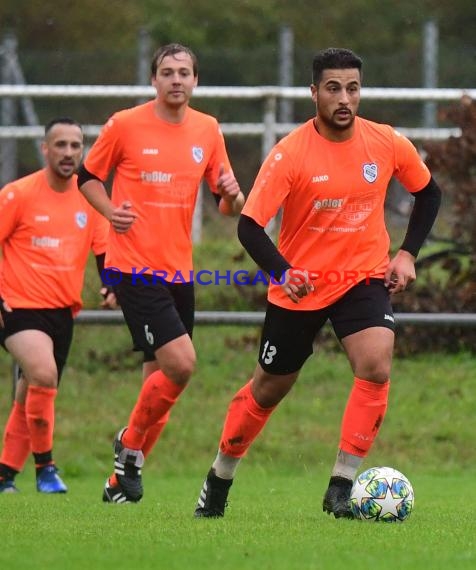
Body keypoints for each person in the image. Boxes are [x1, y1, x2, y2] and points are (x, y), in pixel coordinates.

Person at [194, 47, 441, 519]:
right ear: (314, 93)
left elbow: (428, 192)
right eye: (333, 88)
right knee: (268, 390)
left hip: (363, 278)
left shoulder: (385, 142)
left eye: (352, 88)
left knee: (375, 365)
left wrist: (407, 252)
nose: (344, 98)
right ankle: (220, 476)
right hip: (300, 288)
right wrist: (285, 273)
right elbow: (249, 225)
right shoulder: (290, 152)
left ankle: (341, 488)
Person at [77, 43, 244, 504]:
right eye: (167, 72)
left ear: (195, 81)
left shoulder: (208, 129)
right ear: (154, 80)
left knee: (160, 382)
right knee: (181, 364)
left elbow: (229, 206)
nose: (176, 79)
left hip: (179, 272)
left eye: (184, 72)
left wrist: (233, 194)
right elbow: (87, 177)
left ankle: (120, 483)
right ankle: (128, 447)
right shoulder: (125, 124)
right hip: (133, 267)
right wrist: (111, 212)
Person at [0, 117, 113, 494]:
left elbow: (104, 251)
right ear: (45, 149)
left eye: (75, 146)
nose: (68, 153)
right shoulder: (18, 194)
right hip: (16, 307)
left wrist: (110, 286)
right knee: (43, 374)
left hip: (63, 312)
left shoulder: (89, 198)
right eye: (60, 145)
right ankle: (46, 468)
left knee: (29, 393)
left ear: (83, 152)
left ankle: (4, 476)